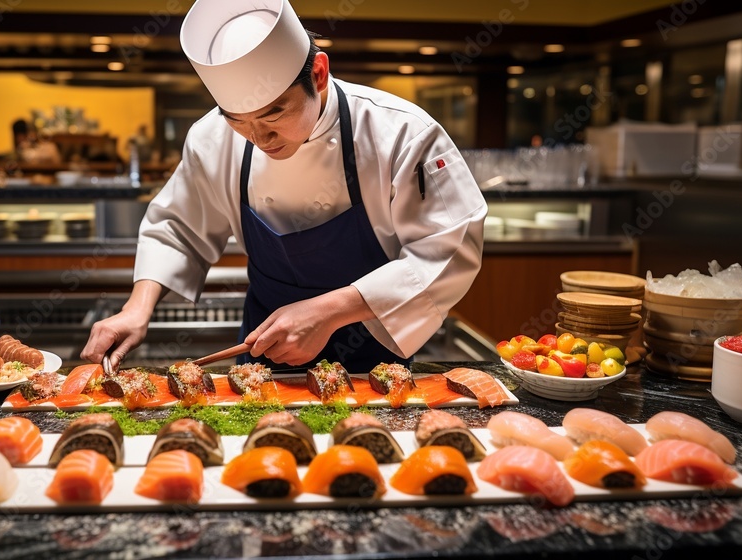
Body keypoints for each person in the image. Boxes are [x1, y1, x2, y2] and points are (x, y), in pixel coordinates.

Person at [82, 0, 487, 373]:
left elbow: (449, 249)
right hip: (263, 351)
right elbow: (177, 227)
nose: (260, 137)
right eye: (238, 120)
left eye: (274, 113)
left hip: (374, 352)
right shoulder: (212, 137)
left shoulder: (401, 132)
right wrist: (137, 309)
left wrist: (329, 311)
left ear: (319, 73)